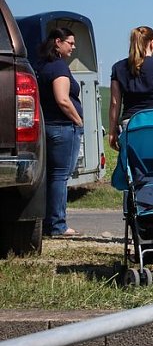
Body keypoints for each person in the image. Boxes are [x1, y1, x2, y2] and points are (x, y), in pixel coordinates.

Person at [36, 28, 84, 237]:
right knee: (60, 176)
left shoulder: (44, 66)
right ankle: (57, 224)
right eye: (70, 43)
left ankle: (48, 222)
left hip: (48, 126)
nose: (73, 47)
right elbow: (62, 99)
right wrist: (78, 120)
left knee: (51, 176)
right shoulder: (58, 68)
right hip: (63, 128)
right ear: (58, 42)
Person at [108, 26, 153, 151]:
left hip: (131, 125)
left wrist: (112, 131)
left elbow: (114, 103)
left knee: (133, 163)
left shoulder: (118, 68)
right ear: (152, 42)